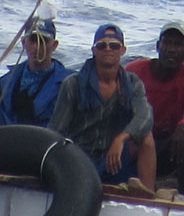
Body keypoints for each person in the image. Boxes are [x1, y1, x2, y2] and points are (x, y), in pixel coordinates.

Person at [49, 24, 156, 187]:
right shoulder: (73, 84)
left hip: (115, 159)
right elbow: (56, 130)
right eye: (102, 45)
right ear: (94, 50)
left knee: (146, 137)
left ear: (123, 50)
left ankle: (147, 198)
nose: (108, 49)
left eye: (114, 45)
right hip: (80, 160)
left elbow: (146, 117)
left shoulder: (132, 83)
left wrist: (121, 139)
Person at [124, 22, 184, 197]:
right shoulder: (135, 70)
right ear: (158, 46)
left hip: (168, 148)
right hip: (136, 143)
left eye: (178, 44)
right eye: (167, 43)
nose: (171, 49)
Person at [0, 16, 71, 127]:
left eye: (43, 40)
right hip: (7, 136)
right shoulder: (8, 80)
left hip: (46, 139)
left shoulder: (68, 83)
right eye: (33, 40)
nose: (37, 46)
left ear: (54, 45)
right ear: (24, 42)